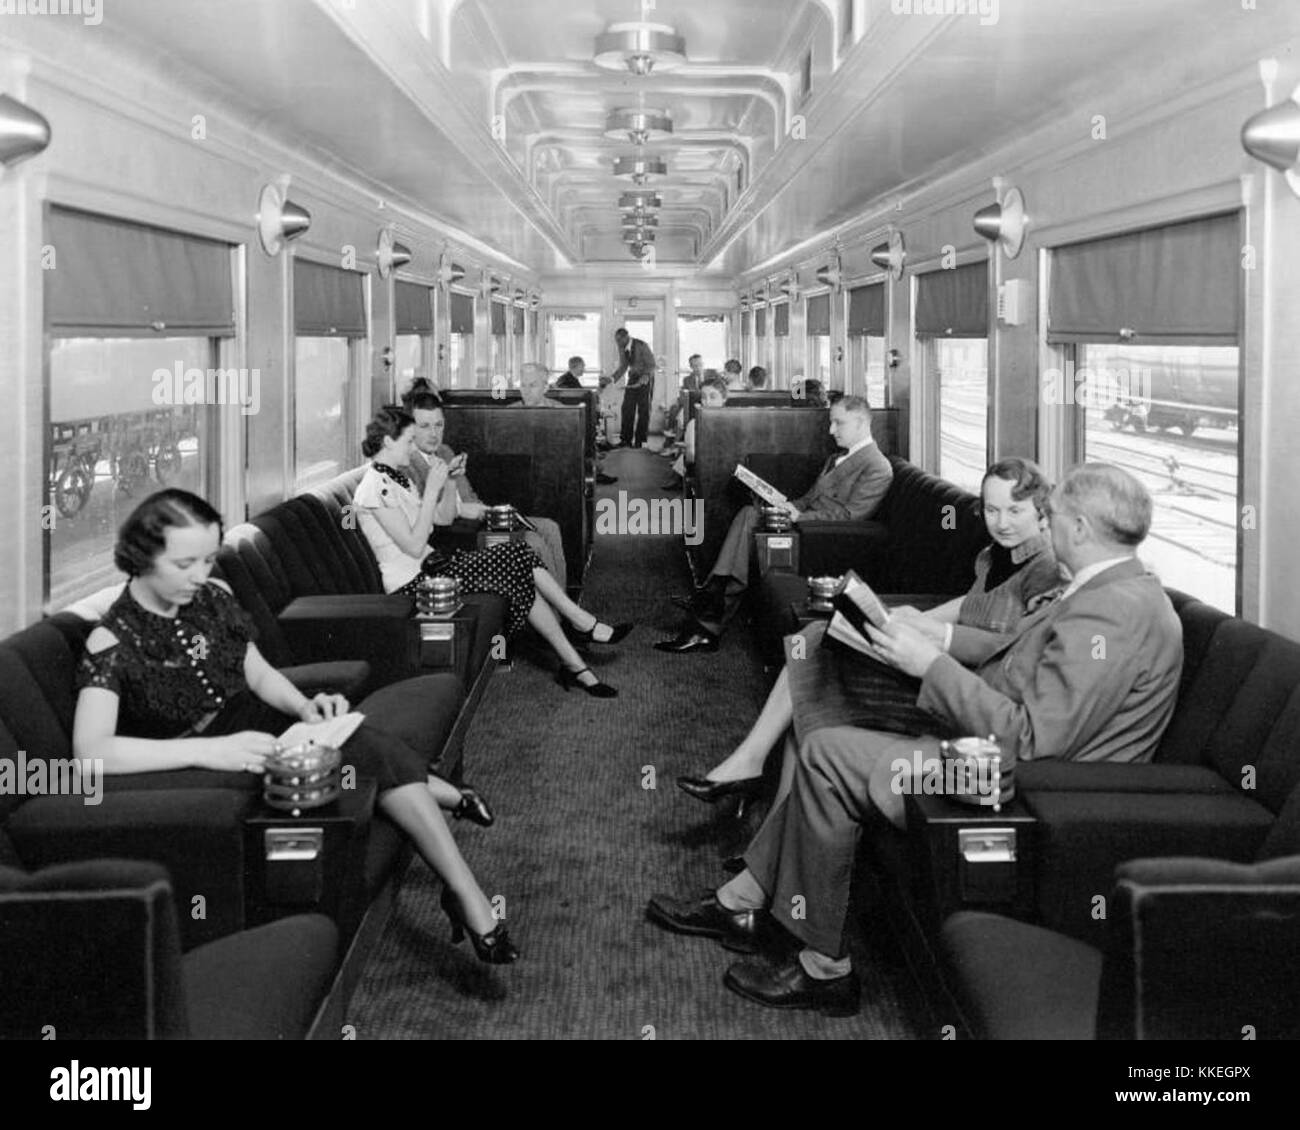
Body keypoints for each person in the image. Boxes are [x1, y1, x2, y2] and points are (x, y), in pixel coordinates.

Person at [646, 463, 1184, 1014]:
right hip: (989, 749)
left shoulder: (1110, 613)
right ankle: (746, 901)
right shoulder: (1108, 590)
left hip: (1019, 786)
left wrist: (931, 667)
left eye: (1052, 517)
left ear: (1080, 528)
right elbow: (1008, 654)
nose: (1045, 526)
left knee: (828, 752)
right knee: (827, 723)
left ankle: (823, 967)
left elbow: (1031, 740)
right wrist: (927, 641)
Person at [72, 490, 519, 964]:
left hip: (255, 724)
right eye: (185, 564)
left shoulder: (213, 598)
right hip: (202, 761)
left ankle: (462, 883)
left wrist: (305, 706)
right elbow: (91, 753)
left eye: (206, 560)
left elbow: (259, 675)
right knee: (362, 748)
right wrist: (210, 752)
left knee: (349, 736)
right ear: (141, 556)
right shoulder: (111, 640)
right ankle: (460, 861)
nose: (199, 576)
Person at [676, 458, 1060, 804]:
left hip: (963, 689)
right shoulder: (994, 554)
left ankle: (752, 769)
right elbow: (970, 604)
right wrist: (912, 618)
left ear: (1041, 512)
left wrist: (932, 634)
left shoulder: (1044, 568)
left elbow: (1013, 648)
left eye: (1015, 510)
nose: (1002, 522)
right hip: (942, 661)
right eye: (992, 510)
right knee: (812, 650)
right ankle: (759, 785)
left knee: (813, 662)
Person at [354, 406, 630, 697]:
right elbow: (413, 545)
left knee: (519, 562)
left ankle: (575, 659)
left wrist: (450, 481)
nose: (413, 448)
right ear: (388, 442)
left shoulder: (397, 478)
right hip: (415, 585)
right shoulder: (374, 488)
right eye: (409, 441)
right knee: (518, 558)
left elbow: (443, 518)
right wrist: (432, 491)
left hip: (433, 569)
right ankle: (580, 631)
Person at [655, 396, 893, 653]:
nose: (831, 430)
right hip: (805, 526)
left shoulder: (877, 466)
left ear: (860, 422)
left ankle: (709, 608)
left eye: (838, 423)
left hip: (818, 539)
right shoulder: (837, 458)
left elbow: (850, 516)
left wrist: (799, 517)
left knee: (747, 526)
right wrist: (785, 505)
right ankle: (711, 604)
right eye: (831, 422)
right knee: (749, 513)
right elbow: (809, 499)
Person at [402, 385, 567, 585]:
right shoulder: (407, 465)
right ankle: (554, 603)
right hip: (456, 538)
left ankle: (560, 601)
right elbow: (425, 513)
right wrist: (462, 509)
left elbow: (468, 494)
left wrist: (486, 511)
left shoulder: (445, 451)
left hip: (479, 521)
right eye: (425, 426)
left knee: (549, 528)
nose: (434, 433)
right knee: (533, 542)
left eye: (439, 425)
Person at [662, 377, 728, 491]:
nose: (707, 402)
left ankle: (676, 478)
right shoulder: (694, 423)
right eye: (703, 397)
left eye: (713, 397)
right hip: (705, 471)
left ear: (724, 398)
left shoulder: (735, 422)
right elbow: (691, 456)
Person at [601, 328, 655, 448]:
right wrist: (611, 379)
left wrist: (645, 376)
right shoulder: (621, 347)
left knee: (643, 410)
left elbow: (651, 364)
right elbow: (623, 366)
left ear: (626, 337)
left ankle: (640, 441)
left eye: (619, 340)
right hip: (633, 377)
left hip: (646, 377)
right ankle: (626, 440)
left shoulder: (642, 345)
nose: (618, 343)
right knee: (627, 408)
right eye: (616, 340)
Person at [664, 354, 703, 440]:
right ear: (691, 367)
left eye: (700, 365)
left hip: (703, 405)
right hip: (690, 404)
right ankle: (673, 435)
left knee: (681, 415)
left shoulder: (710, 377)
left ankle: (675, 436)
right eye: (695, 366)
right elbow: (685, 394)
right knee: (675, 408)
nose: (698, 368)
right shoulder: (687, 379)